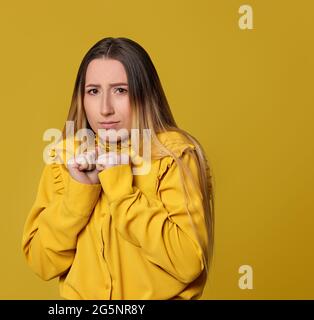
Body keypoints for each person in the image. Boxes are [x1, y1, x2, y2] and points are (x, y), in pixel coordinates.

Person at [22, 37, 215, 299]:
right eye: (93, 91)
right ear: (81, 98)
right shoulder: (66, 159)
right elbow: (41, 262)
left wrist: (122, 191)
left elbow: (188, 263)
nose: (105, 109)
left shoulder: (172, 156)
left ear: (145, 94)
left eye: (120, 90)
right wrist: (79, 195)